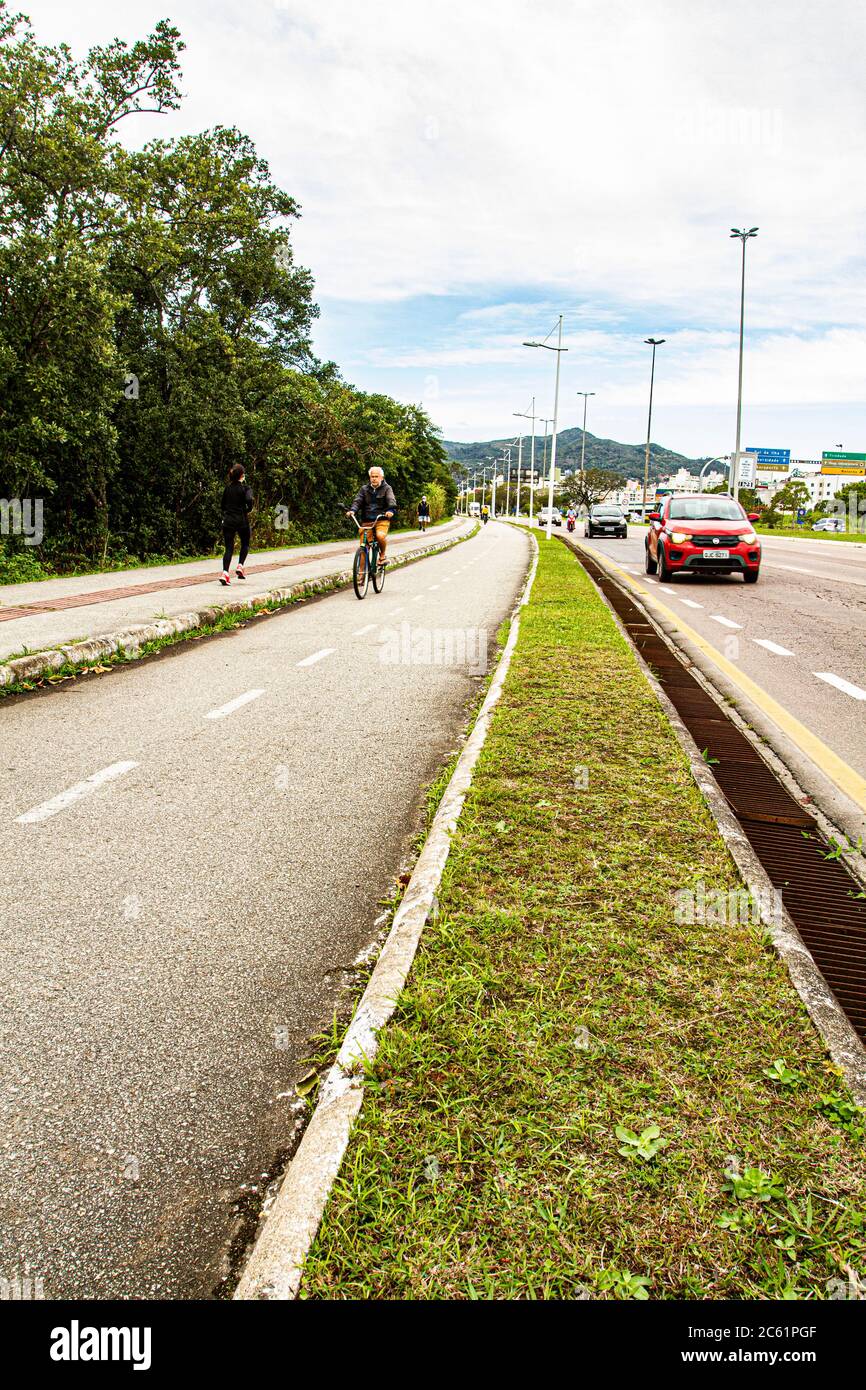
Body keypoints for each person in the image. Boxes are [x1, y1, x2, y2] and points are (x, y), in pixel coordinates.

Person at [347, 466, 396, 566]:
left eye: (376, 476)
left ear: (381, 477)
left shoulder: (387, 488)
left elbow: (391, 500)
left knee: (380, 536)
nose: (374, 478)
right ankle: (361, 578)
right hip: (367, 521)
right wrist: (352, 510)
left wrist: (390, 510)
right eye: (372, 476)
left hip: (381, 520)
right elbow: (358, 501)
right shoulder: (364, 489)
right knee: (363, 547)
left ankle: (382, 556)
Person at [220, 464, 254, 586]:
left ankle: (225, 573)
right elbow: (249, 500)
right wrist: (248, 509)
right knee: (245, 543)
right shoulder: (246, 488)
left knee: (228, 547)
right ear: (242, 475)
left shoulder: (227, 489)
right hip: (241, 520)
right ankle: (240, 565)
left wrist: (229, 511)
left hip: (228, 520)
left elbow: (222, 505)